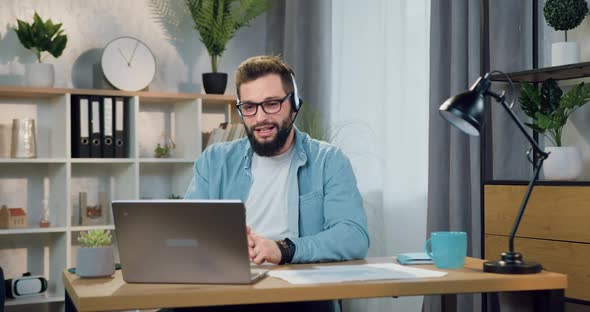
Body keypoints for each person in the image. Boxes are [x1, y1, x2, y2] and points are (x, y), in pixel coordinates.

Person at [180, 55, 369, 311]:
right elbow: (187, 232)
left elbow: (353, 236)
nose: (260, 118)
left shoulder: (328, 161)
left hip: (297, 294)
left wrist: (284, 249)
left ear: (294, 104)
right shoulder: (215, 160)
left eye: (271, 104)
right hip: (224, 291)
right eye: (249, 107)